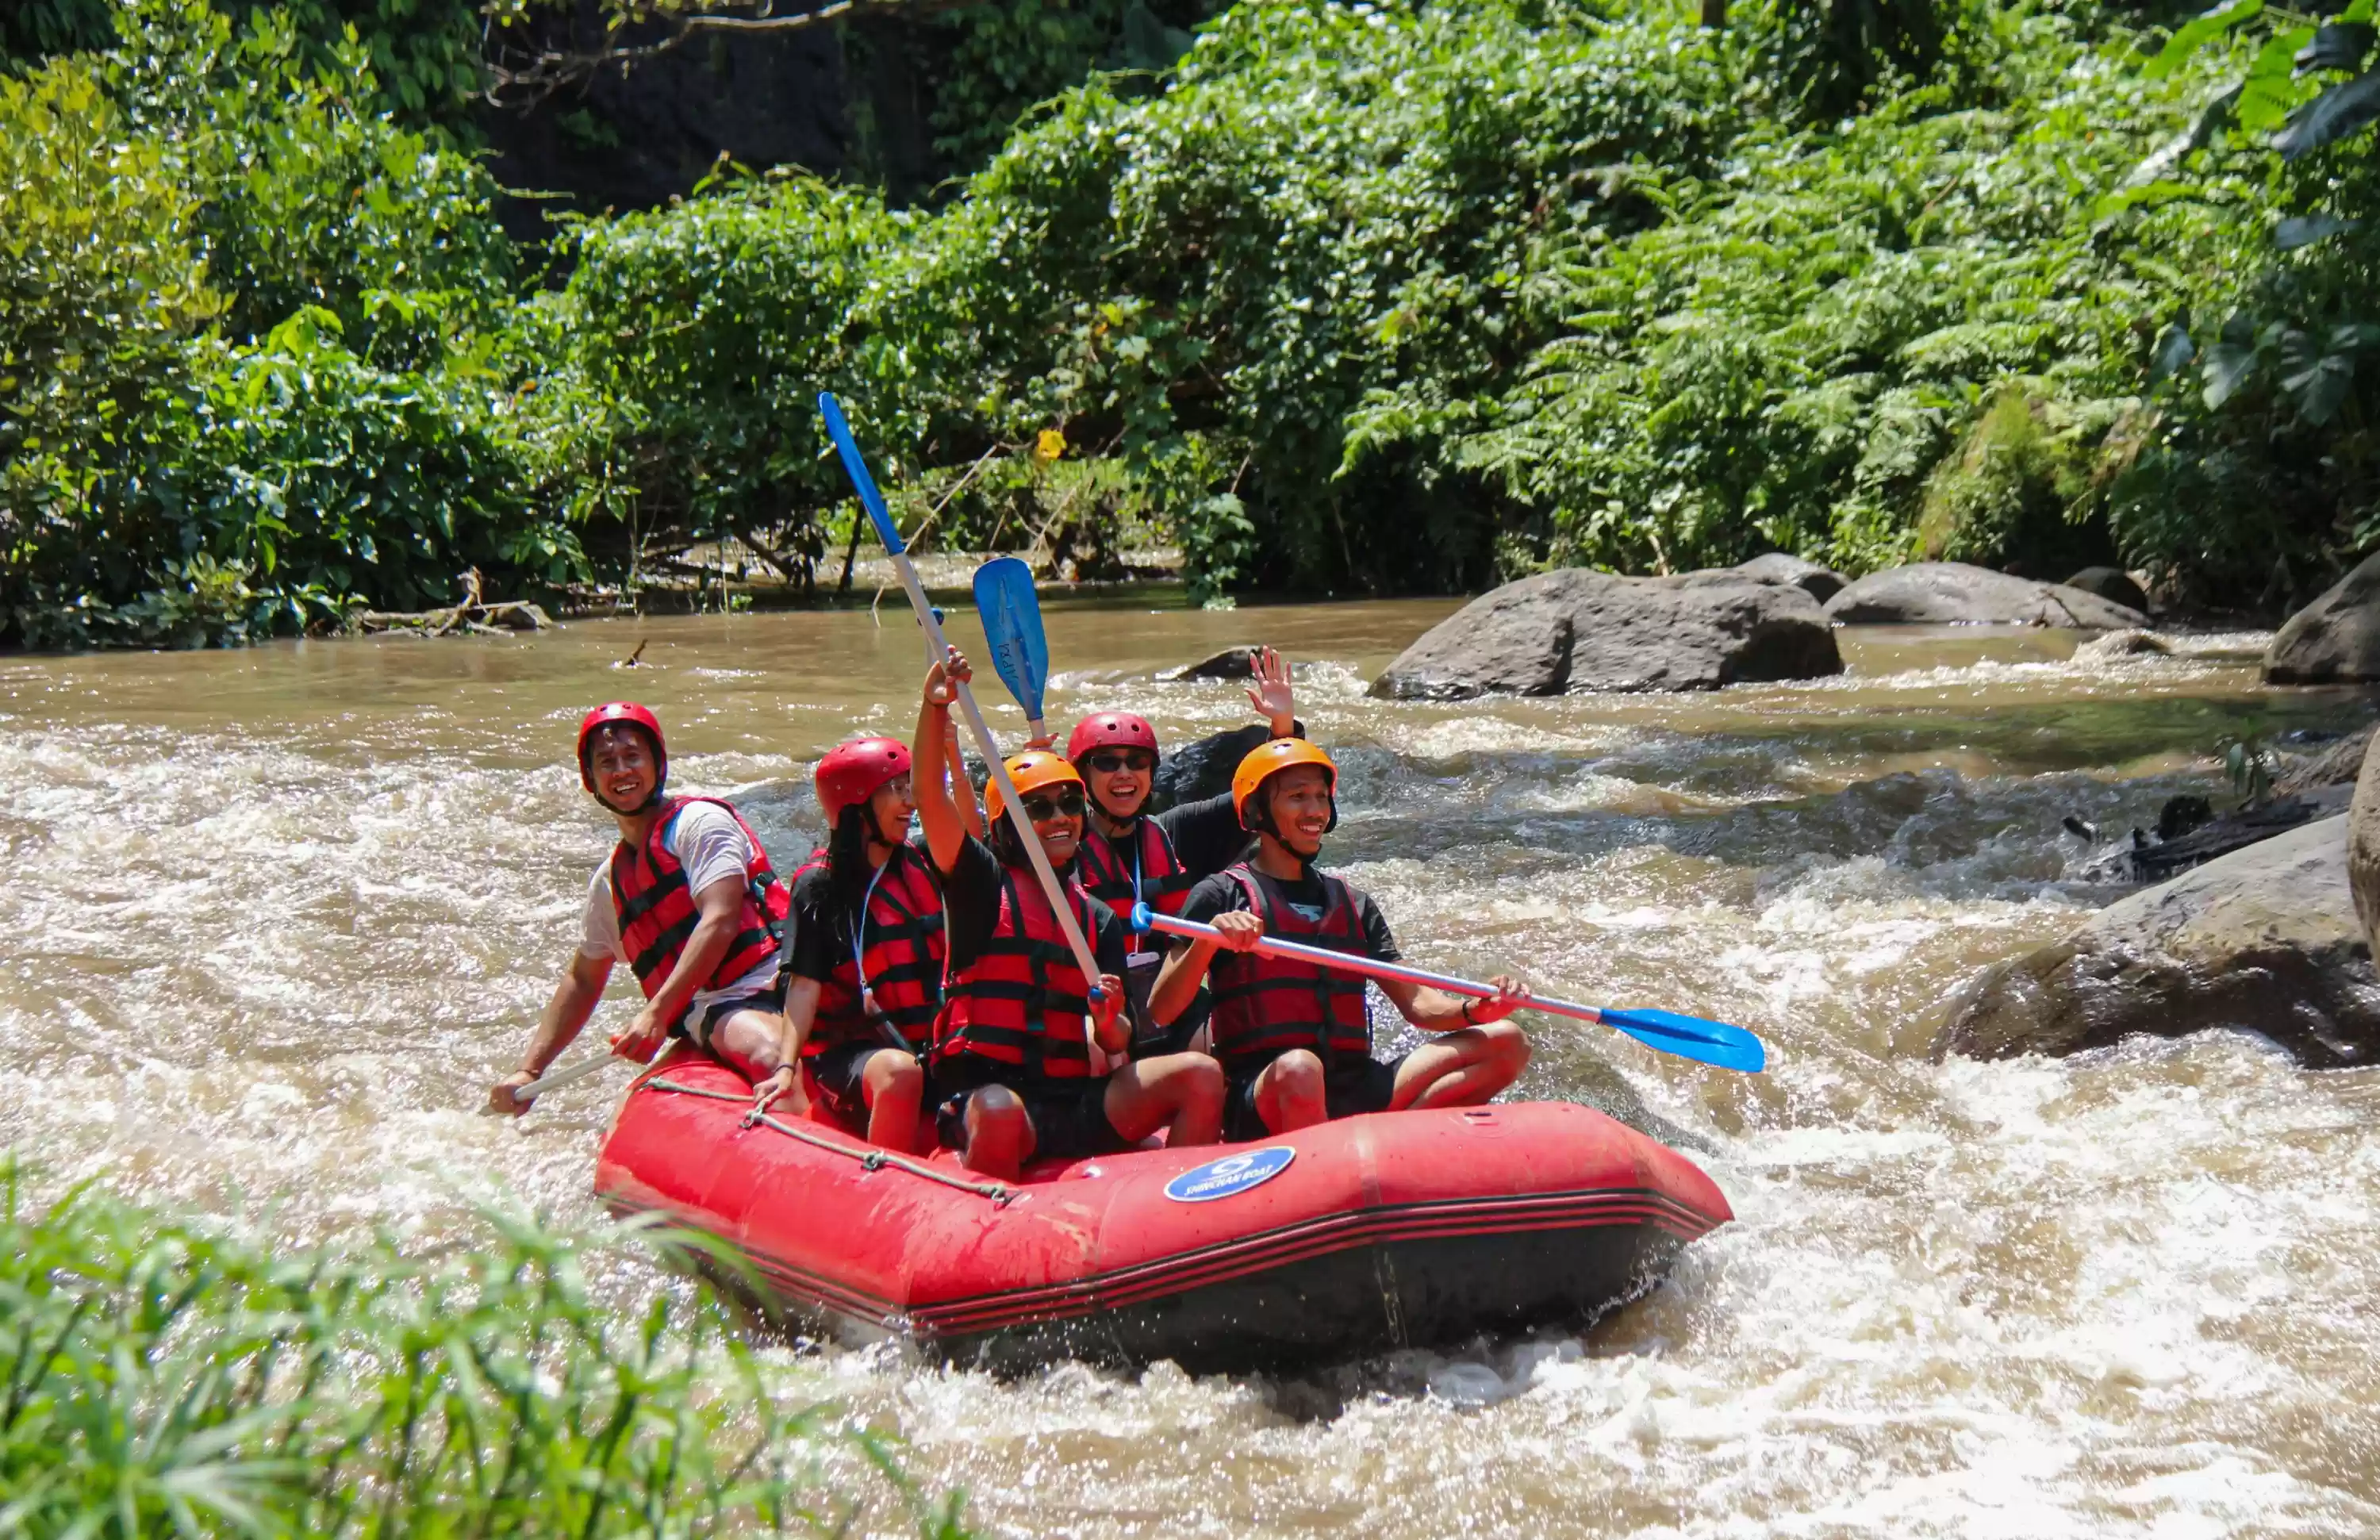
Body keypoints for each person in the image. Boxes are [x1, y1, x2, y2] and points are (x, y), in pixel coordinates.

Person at [913, 647, 1225, 1179]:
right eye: (1039, 807)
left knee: (1200, 1074)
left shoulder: (1096, 917)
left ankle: (1175, 1205)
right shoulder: (979, 885)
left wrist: (1110, 1021)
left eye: (1069, 804)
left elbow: (1116, 1040)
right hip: (988, 1094)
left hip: (1072, 1097)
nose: (1060, 818)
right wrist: (934, 707)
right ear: (1008, 824)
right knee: (996, 1109)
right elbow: (929, 799)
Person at [1147, 738, 1532, 1139]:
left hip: (1354, 1085)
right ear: (1258, 811)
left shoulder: (1354, 904)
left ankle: (1377, 1152)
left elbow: (1419, 1004)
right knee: (1300, 1067)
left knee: (1507, 1041)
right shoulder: (1218, 895)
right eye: (1297, 797)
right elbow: (1162, 1010)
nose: (1315, 810)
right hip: (1266, 1091)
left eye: (1320, 797)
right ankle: (1328, 1170)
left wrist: (1476, 1009)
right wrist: (1208, 942)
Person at [489, 702, 793, 1115]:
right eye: (607, 762)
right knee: (771, 1056)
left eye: (633, 757)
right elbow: (583, 978)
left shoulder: (700, 824)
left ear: (657, 764)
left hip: (790, 972)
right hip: (722, 1001)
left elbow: (719, 919)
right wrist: (530, 1070)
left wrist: (655, 1013)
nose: (621, 771)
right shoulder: (610, 883)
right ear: (591, 779)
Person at [1064, 645, 1299, 1051]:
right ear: (1082, 775)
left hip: (1167, 1001)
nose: (1124, 773)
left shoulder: (1176, 832)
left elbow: (1260, 797)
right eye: (1107, 762)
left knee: (1241, 1035)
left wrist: (1282, 728)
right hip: (1093, 1011)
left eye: (1137, 763)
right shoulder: (1058, 844)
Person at [754, 736, 942, 1150]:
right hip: (852, 1053)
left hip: (929, 1041)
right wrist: (787, 1067)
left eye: (909, 786)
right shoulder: (819, 884)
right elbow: (804, 987)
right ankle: (887, 1190)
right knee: (901, 1072)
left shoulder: (922, 860)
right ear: (857, 807)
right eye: (896, 789)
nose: (910, 802)